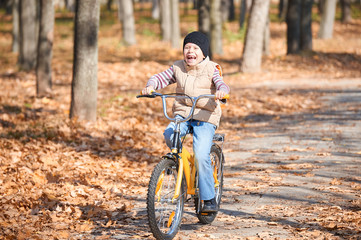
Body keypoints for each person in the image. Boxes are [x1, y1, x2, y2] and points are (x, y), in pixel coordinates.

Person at [141, 31, 230, 212]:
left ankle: (208, 198)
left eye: (195, 48)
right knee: (169, 135)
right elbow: (160, 78)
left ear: (203, 53)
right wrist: (150, 86)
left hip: (205, 116)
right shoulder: (178, 68)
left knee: (201, 154)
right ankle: (180, 164)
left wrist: (221, 92)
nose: (190, 51)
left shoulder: (212, 69)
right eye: (187, 47)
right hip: (183, 114)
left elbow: (221, 84)